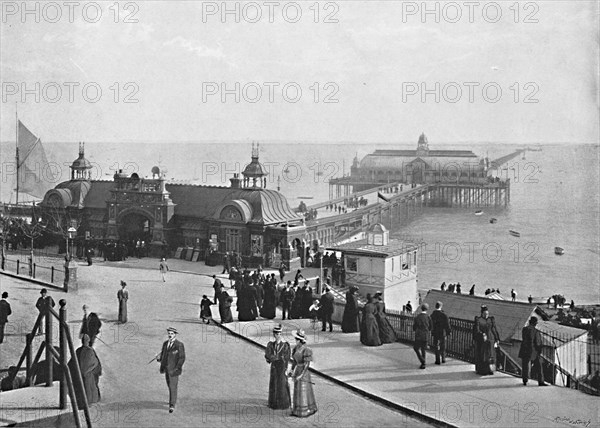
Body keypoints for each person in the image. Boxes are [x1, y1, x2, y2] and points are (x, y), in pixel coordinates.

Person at [156, 327, 185, 413]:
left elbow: (182, 358)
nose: (170, 335)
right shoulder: (165, 344)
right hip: (166, 369)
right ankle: (173, 399)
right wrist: (159, 359)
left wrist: (177, 368)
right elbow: (164, 355)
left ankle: (172, 405)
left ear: (175, 335)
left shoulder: (179, 345)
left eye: (172, 334)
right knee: (169, 385)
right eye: (169, 333)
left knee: (173, 386)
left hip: (174, 370)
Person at [68, 334, 102, 408]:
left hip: (80, 375)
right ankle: (89, 402)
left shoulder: (78, 350)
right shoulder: (90, 351)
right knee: (89, 388)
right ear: (88, 341)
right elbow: (95, 363)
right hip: (88, 375)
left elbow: (71, 363)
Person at [290, 329, 318, 417]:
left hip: (303, 371)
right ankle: (297, 410)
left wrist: (301, 375)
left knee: (304, 390)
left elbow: (307, 364)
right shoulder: (295, 348)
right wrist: (291, 370)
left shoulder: (306, 350)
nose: (296, 341)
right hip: (298, 369)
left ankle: (307, 410)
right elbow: (294, 361)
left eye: (297, 340)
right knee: (297, 389)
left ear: (301, 341)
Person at [264, 324, 291, 410]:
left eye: (279, 334)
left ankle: (283, 403)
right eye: (276, 334)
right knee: (274, 383)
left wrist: (283, 363)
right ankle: (274, 403)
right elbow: (268, 355)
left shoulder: (285, 345)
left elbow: (287, 356)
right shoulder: (270, 345)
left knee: (282, 383)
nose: (278, 336)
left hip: (282, 366)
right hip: (274, 367)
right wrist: (273, 358)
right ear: (274, 335)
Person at [518, 316, 547, 386]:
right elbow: (538, 343)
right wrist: (539, 350)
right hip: (533, 351)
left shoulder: (524, 329)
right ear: (535, 323)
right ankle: (541, 381)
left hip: (524, 349)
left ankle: (525, 380)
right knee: (539, 366)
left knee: (525, 366)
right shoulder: (536, 331)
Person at [473, 305, 500, 375]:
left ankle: (491, 369)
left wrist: (497, 338)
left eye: (487, 314)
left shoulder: (491, 319)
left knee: (491, 355)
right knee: (483, 355)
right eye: (485, 314)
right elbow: (477, 329)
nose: (486, 315)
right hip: (482, 340)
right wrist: (482, 334)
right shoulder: (478, 319)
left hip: (491, 339)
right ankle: (482, 370)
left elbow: (494, 329)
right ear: (482, 314)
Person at [413, 303, 432, 369]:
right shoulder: (428, 317)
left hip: (418, 335)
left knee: (416, 348)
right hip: (425, 335)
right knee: (423, 350)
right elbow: (430, 327)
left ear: (421, 308)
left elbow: (414, 327)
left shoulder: (417, 317)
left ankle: (422, 361)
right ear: (427, 309)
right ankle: (423, 363)